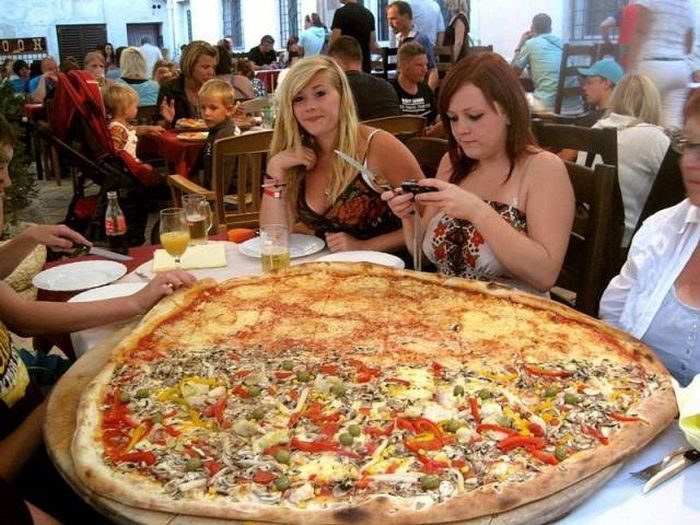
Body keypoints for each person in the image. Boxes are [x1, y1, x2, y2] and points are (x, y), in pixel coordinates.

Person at [0, 113, 195, 523]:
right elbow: (24, 318)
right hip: (30, 453)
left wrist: (29, 237)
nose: (5, 182)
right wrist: (60, 399)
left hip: (28, 393)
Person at [383, 52, 574, 294]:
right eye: (453, 119)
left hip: (516, 312)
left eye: (474, 116)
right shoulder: (452, 163)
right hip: (445, 308)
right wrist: (409, 215)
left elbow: (544, 275)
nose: (461, 129)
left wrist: (476, 210)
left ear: (508, 111)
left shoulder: (543, 168)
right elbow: (422, 254)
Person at [260, 55, 424, 255]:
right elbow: (274, 240)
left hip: (390, 268)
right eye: (299, 98)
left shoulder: (377, 146)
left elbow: (429, 216)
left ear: (342, 95)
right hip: (327, 270)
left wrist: (366, 246)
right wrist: (275, 169)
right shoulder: (295, 156)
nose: (310, 106)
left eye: (320, 93)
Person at [599, 89, 700, 386]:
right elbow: (612, 324)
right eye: (688, 144)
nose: (690, 161)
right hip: (631, 400)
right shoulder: (661, 230)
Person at [579, 74, 670, 248]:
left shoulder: (595, 128)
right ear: (653, 103)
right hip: (628, 242)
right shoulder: (653, 138)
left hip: (587, 233)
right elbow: (677, 187)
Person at [627, 0, 695, 128]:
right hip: (679, 67)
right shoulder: (685, 4)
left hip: (652, 64)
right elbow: (689, 43)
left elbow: (641, 30)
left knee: (641, 121)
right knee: (673, 125)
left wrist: (630, 67)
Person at [327, 35, 401, 121]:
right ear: (360, 59)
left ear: (336, 63)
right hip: (395, 129)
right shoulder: (387, 87)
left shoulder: (337, 91)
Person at [511, 13, 565, 113]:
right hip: (575, 106)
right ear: (550, 29)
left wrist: (520, 45)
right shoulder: (562, 43)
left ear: (532, 28)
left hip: (548, 106)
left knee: (513, 99)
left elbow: (512, 74)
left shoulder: (531, 44)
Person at [157, 41, 218, 126]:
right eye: (205, 67)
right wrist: (168, 122)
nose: (211, 72)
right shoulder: (170, 88)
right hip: (179, 134)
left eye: (213, 67)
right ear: (189, 65)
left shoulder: (216, 89)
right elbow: (159, 126)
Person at [196, 78, 240, 187]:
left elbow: (223, 180)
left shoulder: (225, 136)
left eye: (213, 108)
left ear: (229, 110)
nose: (206, 113)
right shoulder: (216, 130)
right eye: (203, 107)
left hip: (228, 195)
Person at [104, 83, 162, 162]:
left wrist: (149, 128)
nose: (137, 109)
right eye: (135, 107)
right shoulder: (117, 129)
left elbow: (132, 129)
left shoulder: (123, 125)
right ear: (125, 109)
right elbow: (115, 153)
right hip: (126, 165)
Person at [387, 1, 438, 89]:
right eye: (389, 19)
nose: (390, 24)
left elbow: (433, 71)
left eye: (394, 19)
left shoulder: (420, 39)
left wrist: (427, 94)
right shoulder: (400, 39)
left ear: (406, 17)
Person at [330, 0, 382, 74]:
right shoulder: (369, 14)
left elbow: (334, 42)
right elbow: (372, 44)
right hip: (364, 66)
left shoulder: (340, 13)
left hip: (345, 66)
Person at [391, 41, 437, 123]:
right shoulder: (390, 91)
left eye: (426, 64)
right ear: (403, 65)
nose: (425, 70)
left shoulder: (426, 90)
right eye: (419, 65)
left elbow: (436, 116)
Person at [576, 57, 624, 126]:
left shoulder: (590, 122)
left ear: (606, 84)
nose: (584, 88)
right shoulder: (626, 118)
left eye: (589, 82)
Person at [600, 1, 640, 70]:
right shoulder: (648, 11)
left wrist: (608, 43)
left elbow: (604, 25)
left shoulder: (623, 11)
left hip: (626, 59)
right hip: (645, 59)